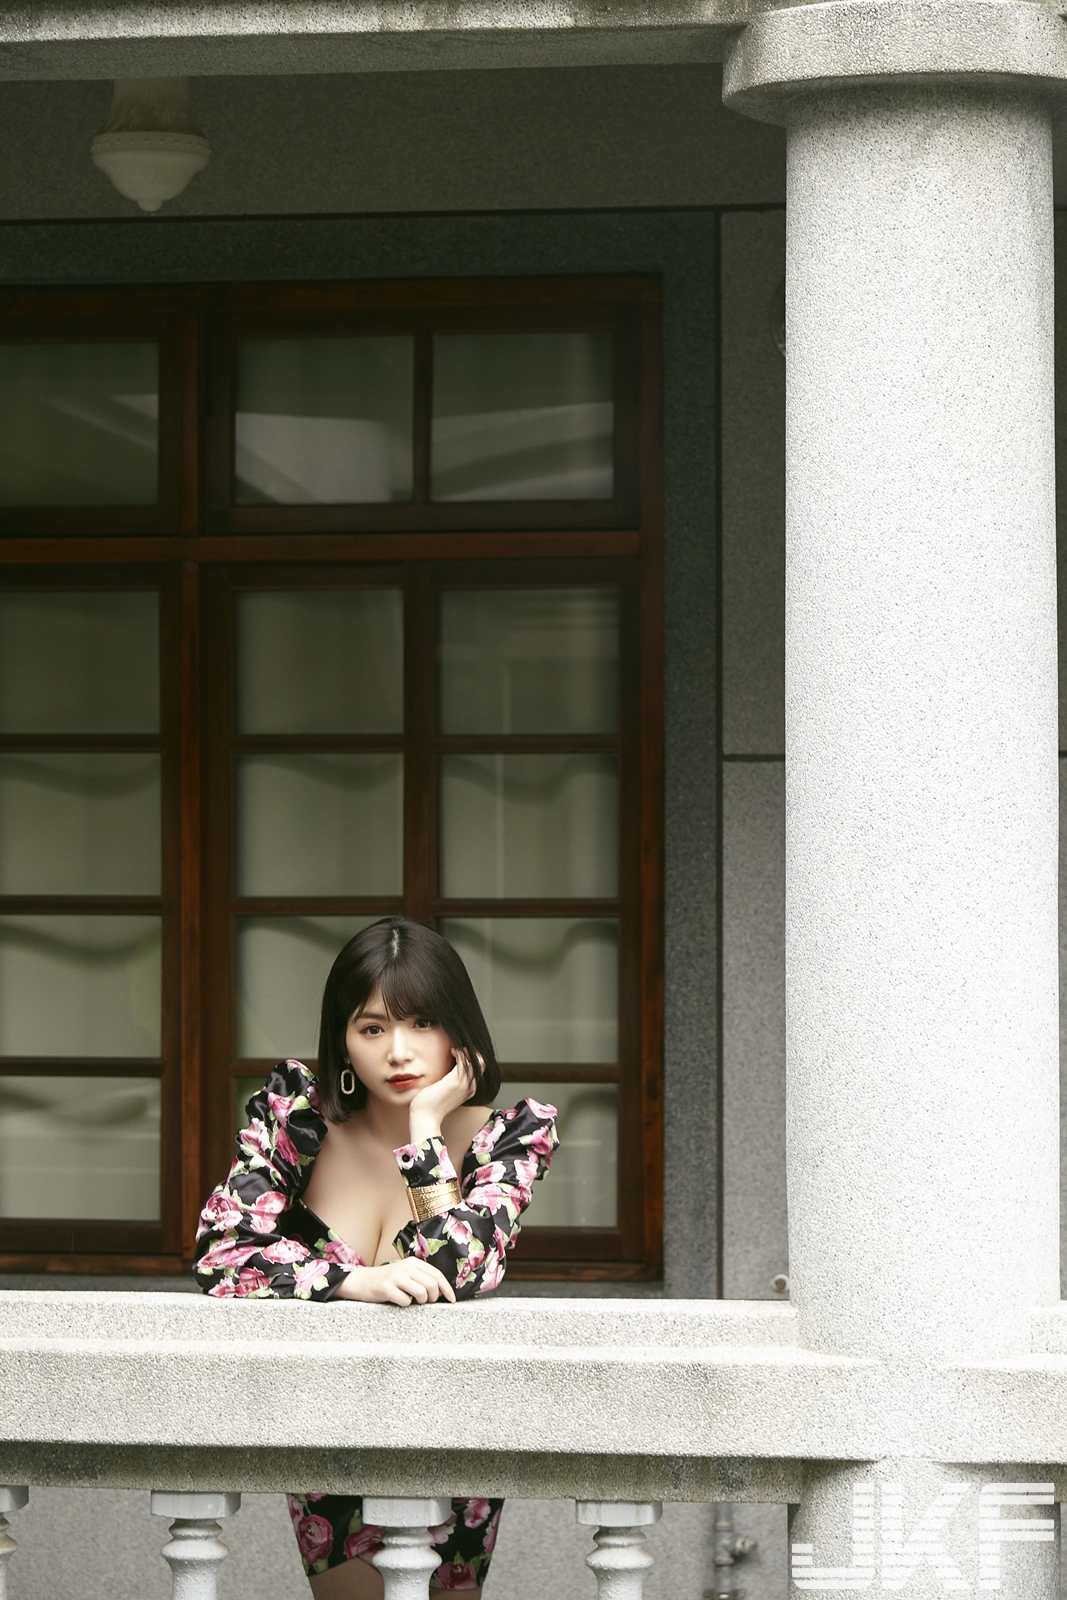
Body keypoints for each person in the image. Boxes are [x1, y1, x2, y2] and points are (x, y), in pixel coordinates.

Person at [192, 917, 559, 1599]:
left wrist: (425, 1128)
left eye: (422, 1023)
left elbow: (457, 1266)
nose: (398, 1051)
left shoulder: (506, 1140)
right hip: (325, 1422)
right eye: (371, 1028)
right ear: (342, 1039)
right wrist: (352, 1280)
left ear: (459, 1030)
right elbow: (222, 1250)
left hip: (457, 1424)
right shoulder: (296, 1121)